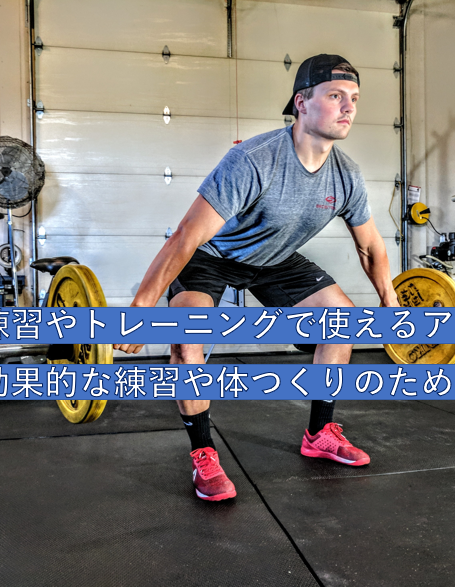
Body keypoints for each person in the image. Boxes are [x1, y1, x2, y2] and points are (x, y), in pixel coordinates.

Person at [114, 54, 400, 501]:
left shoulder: (347, 175)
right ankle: (203, 452)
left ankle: (319, 433)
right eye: (335, 96)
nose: (349, 107)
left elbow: (371, 246)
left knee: (341, 318)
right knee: (187, 337)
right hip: (211, 256)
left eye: (354, 98)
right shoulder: (254, 160)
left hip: (275, 260)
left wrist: (390, 302)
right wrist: (141, 308)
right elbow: (187, 236)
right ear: (301, 102)